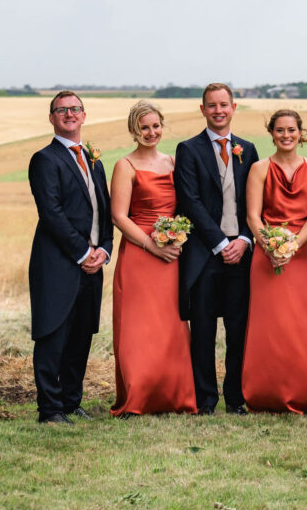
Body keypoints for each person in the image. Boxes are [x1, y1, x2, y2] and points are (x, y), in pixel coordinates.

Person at [28, 91, 114, 424]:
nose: (69, 114)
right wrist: (82, 252)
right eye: (61, 110)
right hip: (57, 264)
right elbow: (52, 213)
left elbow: (103, 213)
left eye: (75, 109)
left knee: (80, 336)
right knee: (53, 335)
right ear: (51, 118)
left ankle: (70, 401)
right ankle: (49, 410)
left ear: (84, 114)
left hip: (94, 264)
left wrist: (104, 249)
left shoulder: (95, 160)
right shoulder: (45, 159)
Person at [241, 110, 307, 413]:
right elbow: (252, 215)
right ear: (271, 133)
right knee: (268, 323)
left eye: (291, 130)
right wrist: (269, 244)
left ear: (300, 132)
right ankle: (264, 390)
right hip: (265, 253)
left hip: (302, 253)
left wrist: (294, 244)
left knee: (299, 321)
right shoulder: (258, 168)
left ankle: (303, 389)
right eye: (280, 130)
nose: (286, 135)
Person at [174, 83, 258, 415]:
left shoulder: (248, 149)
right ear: (203, 109)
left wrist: (245, 240)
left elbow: (255, 201)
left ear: (234, 107)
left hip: (241, 254)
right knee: (204, 330)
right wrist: (220, 243)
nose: (218, 111)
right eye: (212, 105)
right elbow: (189, 201)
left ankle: (235, 399)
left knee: (238, 330)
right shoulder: (188, 149)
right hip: (205, 255)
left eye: (224, 105)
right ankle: (205, 400)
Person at [109, 101, 196, 417]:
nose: (151, 132)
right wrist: (151, 245)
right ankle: (140, 396)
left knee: (170, 324)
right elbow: (119, 216)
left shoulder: (173, 162)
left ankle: (174, 394)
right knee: (139, 326)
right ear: (134, 130)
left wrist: (174, 239)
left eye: (155, 126)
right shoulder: (125, 165)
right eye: (144, 127)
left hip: (171, 252)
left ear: (163, 126)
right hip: (140, 252)